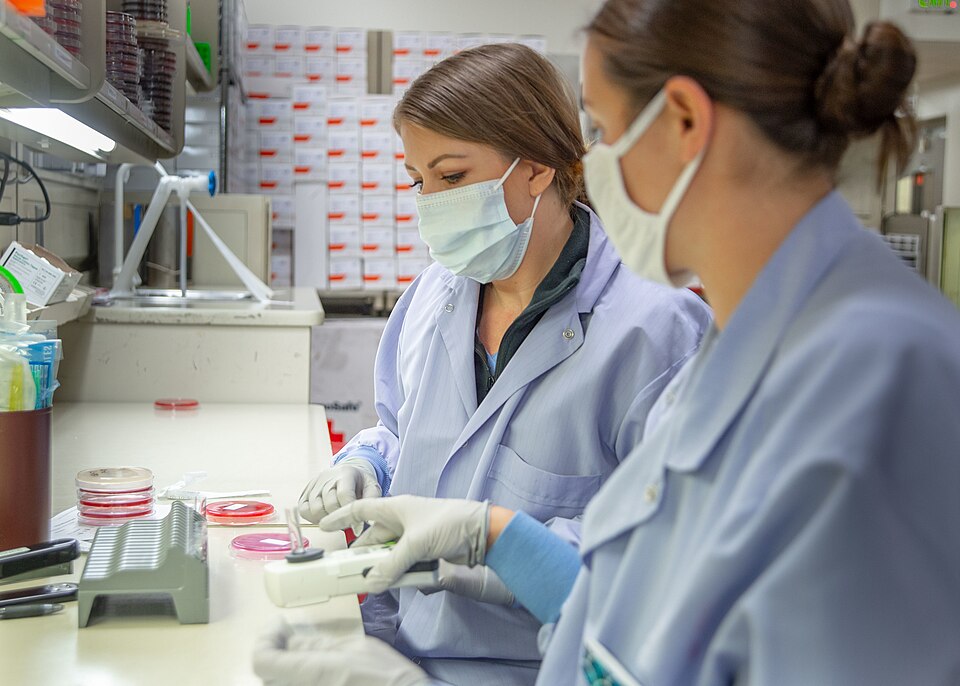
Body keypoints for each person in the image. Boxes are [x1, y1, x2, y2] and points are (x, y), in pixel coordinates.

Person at [255, 0, 960, 683]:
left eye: (606, 129)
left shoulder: (883, 376)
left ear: (684, 120)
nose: (588, 161)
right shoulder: (747, 343)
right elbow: (630, 608)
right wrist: (475, 530)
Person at [290, 43, 711, 686]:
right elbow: (403, 429)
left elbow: (660, 567)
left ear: (537, 168)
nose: (429, 202)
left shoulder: (654, 332)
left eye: (452, 177)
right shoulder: (433, 296)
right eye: (417, 180)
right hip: (397, 641)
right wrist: (366, 461)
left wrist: (499, 543)